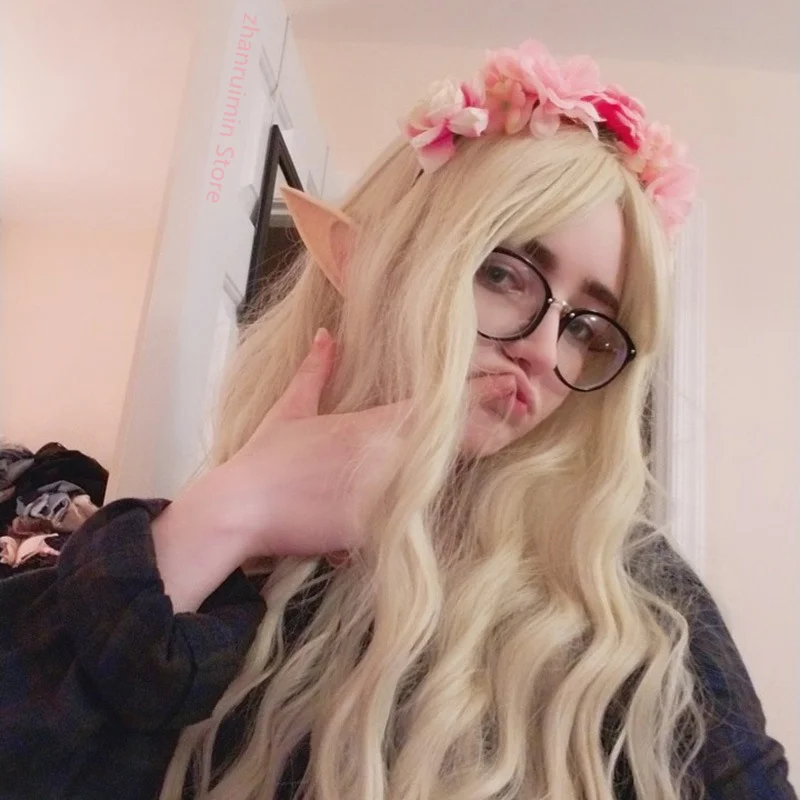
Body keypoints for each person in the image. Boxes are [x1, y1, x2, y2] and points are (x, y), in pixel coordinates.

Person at [0, 39, 795, 800]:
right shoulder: (220, 575)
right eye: (503, 274)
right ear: (375, 264)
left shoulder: (627, 591)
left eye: (588, 328)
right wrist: (230, 512)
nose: (544, 350)